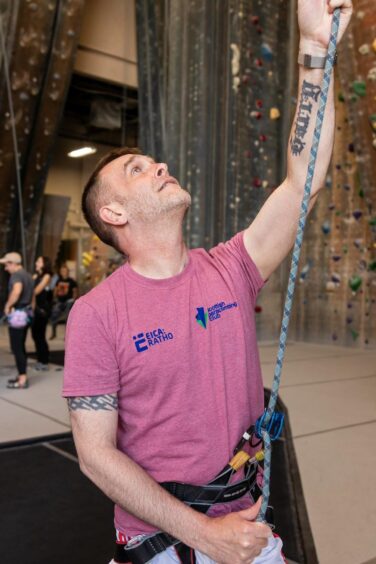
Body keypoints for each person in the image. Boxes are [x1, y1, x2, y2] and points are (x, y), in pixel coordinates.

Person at [63, 2, 352, 563]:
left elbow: (304, 180)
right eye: (138, 170)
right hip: (164, 541)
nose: (160, 166)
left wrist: (316, 49)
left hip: (245, 523)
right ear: (115, 215)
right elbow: (96, 455)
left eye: (154, 161)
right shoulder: (97, 314)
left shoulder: (231, 267)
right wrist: (203, 534)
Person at [0, 252, 34, 389]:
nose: (5, 268)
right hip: (26, 314)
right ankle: (22, 375)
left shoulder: (17, 276)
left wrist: (7, 306)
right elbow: (33, 297)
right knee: (21, 345)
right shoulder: (28, 275)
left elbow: (16, 291)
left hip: (17, 315)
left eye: (7, 264)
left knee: (16, 347)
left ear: (13, 263)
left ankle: (22, 379)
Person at [31, 256, 53, 370]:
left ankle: (44, 361)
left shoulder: (47, 276)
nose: (36, 263)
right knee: (35, 335)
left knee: (40, 335)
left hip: (42, 310)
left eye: (39, 261)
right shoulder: (36, 276)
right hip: (35, 309)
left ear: (45, 264)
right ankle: (40, 360)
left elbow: (36, 290)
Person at [49, 264, 78, 339]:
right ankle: (53, 333)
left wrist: (73, 301)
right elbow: (55, 290)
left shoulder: (72, 281)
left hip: (69, 301)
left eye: (65, 271)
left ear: (68, 272)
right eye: (62, 271)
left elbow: (75, 292)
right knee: (54, 316)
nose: (64, 272)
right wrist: (54, 297)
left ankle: (67, 335)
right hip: (59, 301)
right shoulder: (58, 281)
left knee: (67, 318)